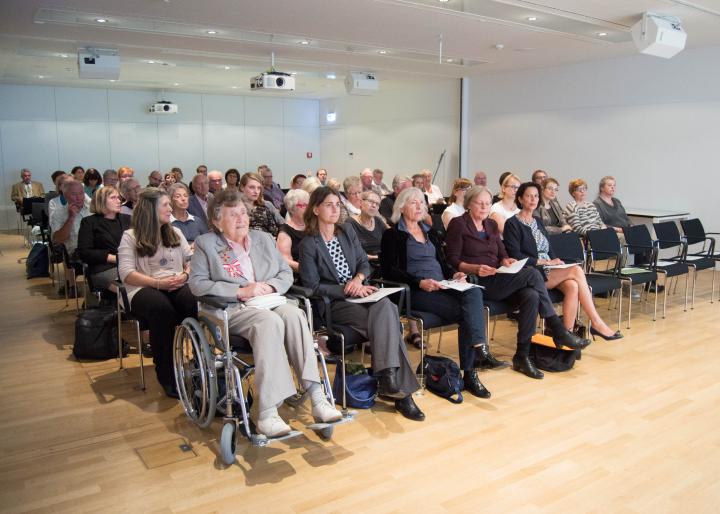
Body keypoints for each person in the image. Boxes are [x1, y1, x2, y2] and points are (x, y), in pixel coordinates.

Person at [189, 190, 341, 437]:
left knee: (295, 315)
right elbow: (197, 284)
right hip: (232, 309)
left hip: (269, 301)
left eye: (243, 212)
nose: (241, 218)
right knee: (269, 322)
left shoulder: (262, 238)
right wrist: (240, 290)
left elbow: (285, 274)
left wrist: (269, 287)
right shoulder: (207, 245)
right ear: (217, 221)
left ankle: (317, 397)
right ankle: (268, 413)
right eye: (233, 214)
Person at [299, 187, 425, 421]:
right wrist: (347, 288)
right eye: (329, 204)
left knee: (387, 307)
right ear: (316, 209)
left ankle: (390, 380)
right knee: (390, 321)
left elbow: (363, 265)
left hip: (361, 295)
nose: (335, 209)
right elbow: (311, 286)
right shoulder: (309, 244)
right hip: (334, 304)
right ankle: (399, 392)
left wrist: (357, 279)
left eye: (338, 204)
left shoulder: (346, 232)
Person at [445, 186, 591, 380]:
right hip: (477, 281)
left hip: (498, 276)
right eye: (479, 203)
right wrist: (474, 268)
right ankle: (557, 327)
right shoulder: (459, 224)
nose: (484, 206)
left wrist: (506, 260)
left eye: (487, 203)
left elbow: (502, 252)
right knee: (532, 274)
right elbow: (452, 259)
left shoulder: (490, 225)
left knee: (530, 295)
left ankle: (522, 355)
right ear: (469, 203)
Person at [380, 187, 499, 398]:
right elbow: (389, 270)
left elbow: (443, 264)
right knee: (468, 314)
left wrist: (455, 275)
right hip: (414, 292)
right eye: (413, 202)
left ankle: (480, 348)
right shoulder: (392, 235)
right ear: (401, 207)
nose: (419, 206)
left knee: (473, 292)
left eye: (421, 203)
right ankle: (471, 373)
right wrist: (420, 282)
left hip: (443, 285)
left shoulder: (430, 233)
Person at [504, 182, 623, 340]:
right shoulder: (512, 224)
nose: (533, 199)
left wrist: (555, 260)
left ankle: (567, 334)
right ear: (520, 198)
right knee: (577, 271)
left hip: (549, 268)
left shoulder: (537, 221)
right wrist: (545, 262)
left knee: (573, 286)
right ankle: (596, 323)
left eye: (536, 196)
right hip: (531, 272)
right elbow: (516, 256)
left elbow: (548, 247)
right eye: (529, 195)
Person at [117, 188, 196, 398]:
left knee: (195, 301)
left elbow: (191, 261)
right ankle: (167, 375)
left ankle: (200, 363)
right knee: (162, 310)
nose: (170, 209)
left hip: (175, 282)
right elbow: (126, 273)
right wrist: (157, 283)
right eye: (165, 205)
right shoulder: (130, 237)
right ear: (150, 209)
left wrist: (185, 276)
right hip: (144, 286)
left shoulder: (175, 232)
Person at [76, 186, 131, 291]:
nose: (118, 201)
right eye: (113, 198)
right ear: (101, 201)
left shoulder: (127, 219)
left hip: (128, 265)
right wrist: (112, 258)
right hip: (103, 269)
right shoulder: (89, 222)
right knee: (133, 288)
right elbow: (84, 252)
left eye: (119, 198)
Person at [49, 179, 90, 255]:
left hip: (97, 251)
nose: (79, 198)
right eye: (74, 194)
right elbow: (57, 240)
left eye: (81, 193)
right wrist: (71, 218)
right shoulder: (58, 214)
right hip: (76, 254)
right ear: (65, 196)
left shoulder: (92, 210)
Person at [346, 190, 388, 263]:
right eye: (371, 201)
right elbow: (351, 252)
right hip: (362, 264)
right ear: (361, 202)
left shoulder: (378, 221)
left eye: (377, 204)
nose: (374, 205)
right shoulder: (350, 223)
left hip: (382, 262)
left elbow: (390, 239)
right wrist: (376, 257)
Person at [277, 189, 309, 273]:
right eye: (304, 205)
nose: (308, 208)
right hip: (301, 276)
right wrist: (309, 269)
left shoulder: (313, 226)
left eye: (309, 204)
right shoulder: (285, 232)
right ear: (292, 209)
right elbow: (285, 260)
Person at [240, 172, 281, 237]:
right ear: (242, 187)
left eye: (259, 188)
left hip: (266, 242)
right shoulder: (234, 208)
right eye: (252, 187)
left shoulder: (265, 207)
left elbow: (275, 230)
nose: (256, 191)